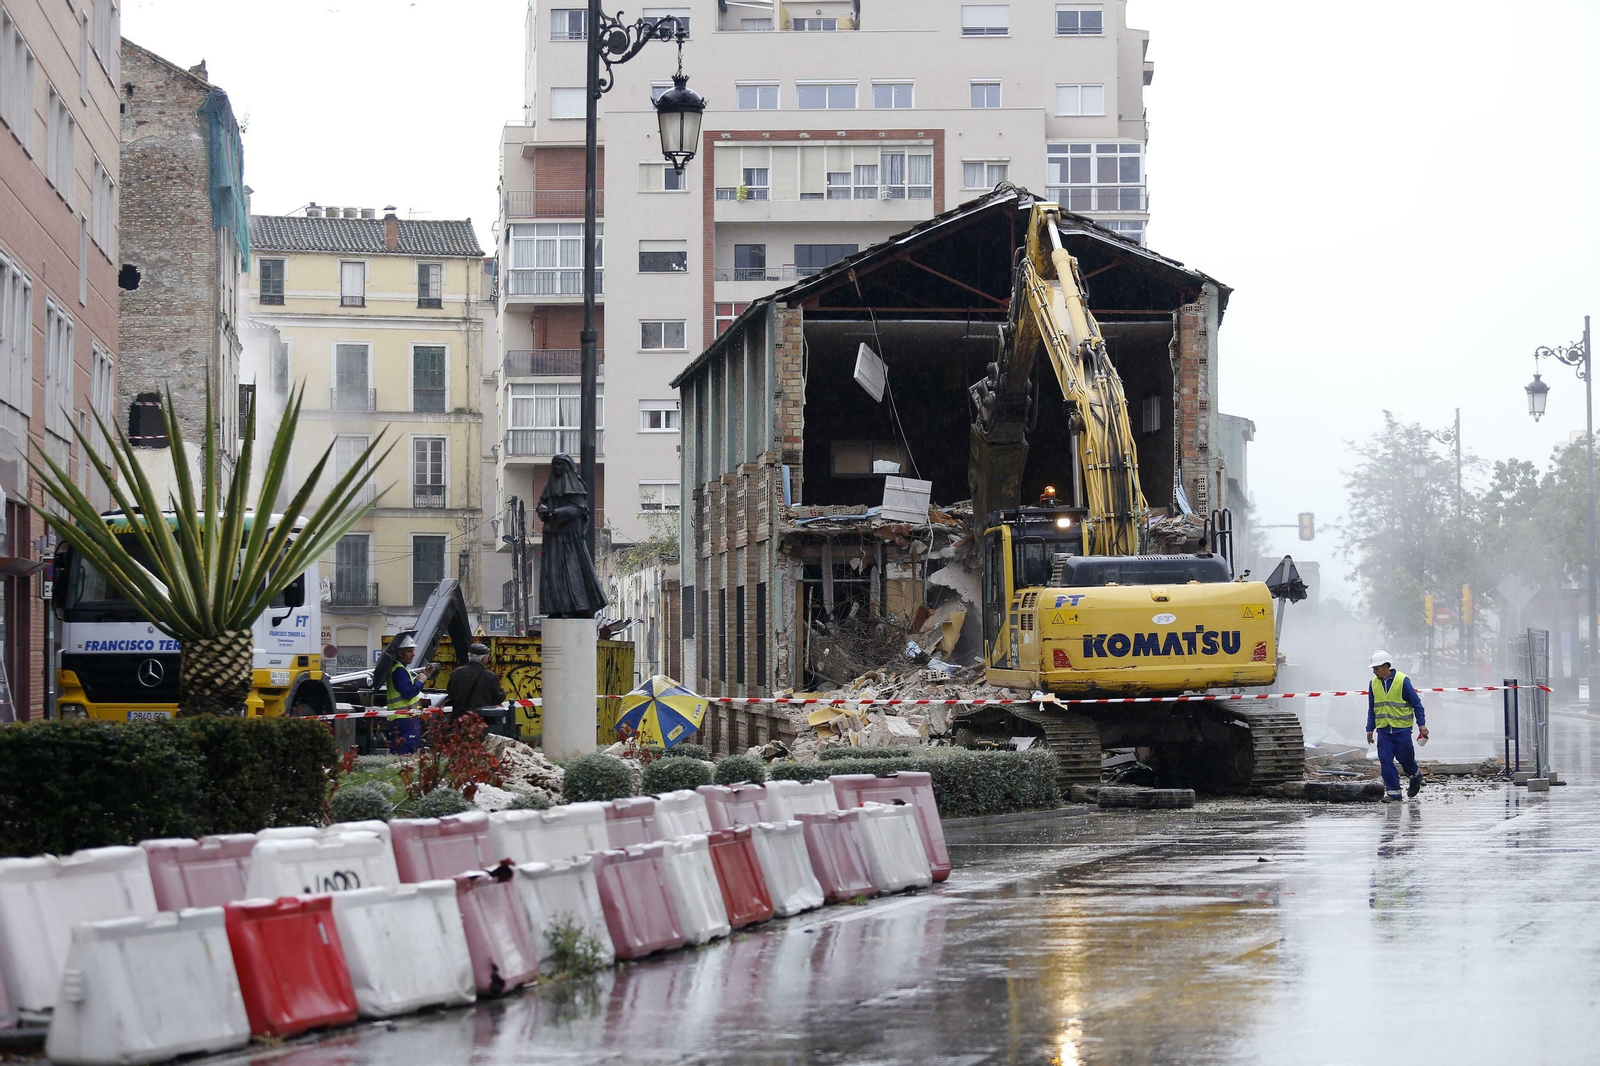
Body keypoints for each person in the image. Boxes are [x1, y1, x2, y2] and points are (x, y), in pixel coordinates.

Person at [1366, 650, 1428, 802]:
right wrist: (1369, 728)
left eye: (1376, 668)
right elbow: (1372, 708)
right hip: (1384, 730)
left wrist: (1422, 725)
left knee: (1406, 759)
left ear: (1386, 666)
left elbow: (1417, 704)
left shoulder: (1402, 680)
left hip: (1402, 729)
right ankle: (1394, 792)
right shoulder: (1373, 684)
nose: (1374, 671)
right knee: (1385, 759)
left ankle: (1415, 775)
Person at [445, 642, 506, 711]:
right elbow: (499, 698)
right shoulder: (490, 677)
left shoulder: (456, 672)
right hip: (481, 719)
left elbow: (451, 692)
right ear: (484, 659)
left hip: (460, 718)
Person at [385, 633, 438, 712]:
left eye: (413, 651)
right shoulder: (399, 671)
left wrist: (424, 676)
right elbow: (408, 693)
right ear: (400, 653)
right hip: (404, 718)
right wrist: (420, 681)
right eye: (410, 651)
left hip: (403, 717)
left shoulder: (398, 668)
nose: (413, 654)